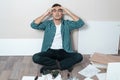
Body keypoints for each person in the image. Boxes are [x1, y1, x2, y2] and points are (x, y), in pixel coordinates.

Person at [31, 3, 84, 74]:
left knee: (79, 57)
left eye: (59, 10)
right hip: (50, 51)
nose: (57, 13)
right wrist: (45, 14)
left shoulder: (67, 24)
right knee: (35, 57)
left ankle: (51, 67)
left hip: (64, 51)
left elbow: (80, 23)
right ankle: (65, 64)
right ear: (51, 13)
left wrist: (68, 12)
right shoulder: (47, 24)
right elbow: (33, 25)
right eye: (54, 11)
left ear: (62, 13)